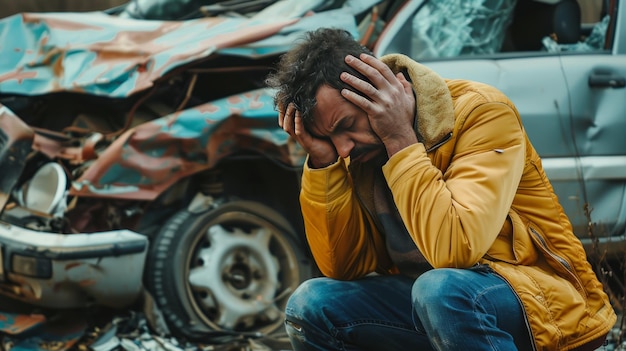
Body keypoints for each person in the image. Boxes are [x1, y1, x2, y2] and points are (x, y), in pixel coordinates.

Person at [265, 27, 616, 351]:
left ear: (378, 86)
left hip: (536, 300)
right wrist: (324, 165)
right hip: (431, 304)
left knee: (440, 291)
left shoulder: (480, 112)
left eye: (347, 126)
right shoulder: (352, 152)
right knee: (310, 304)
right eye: (330, 138)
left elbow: (455, 250)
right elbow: (343, 266)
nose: (344, 148)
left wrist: (400, 140)